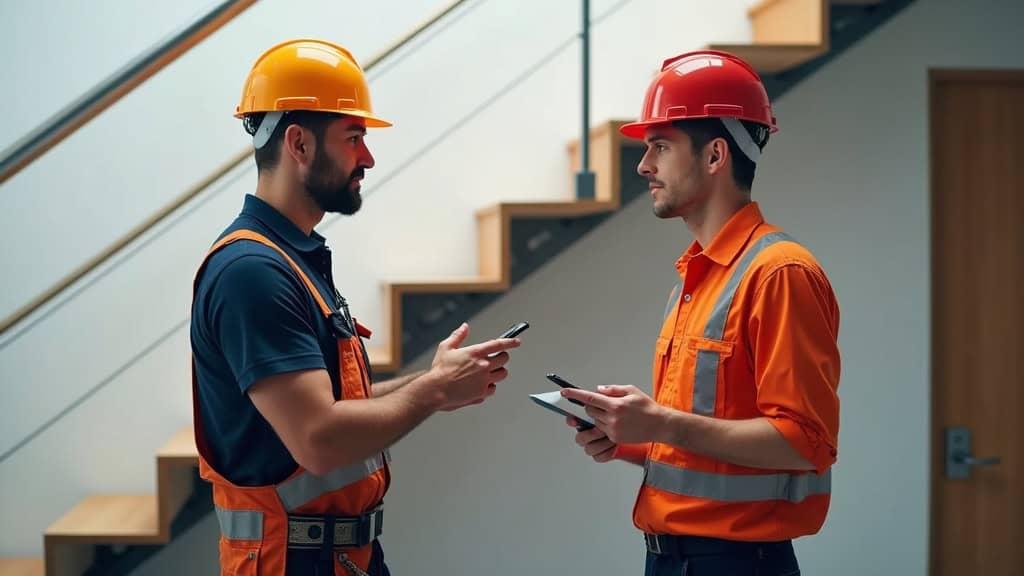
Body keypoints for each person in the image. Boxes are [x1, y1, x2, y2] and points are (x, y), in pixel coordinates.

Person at [189, 39, 520, 576]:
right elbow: (318, 439)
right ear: (298, 143)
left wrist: (430, 380)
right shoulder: (252, 273)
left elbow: (339, 404)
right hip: (290, 562)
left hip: (339, 556)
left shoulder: (293, 260)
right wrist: (434, 393)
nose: (367, 156)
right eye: (353, 137)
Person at [561, 50, 841, 576]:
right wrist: (632, 436)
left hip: (738, 564)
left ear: (715, 156)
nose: (644, 166)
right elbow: (708, 442)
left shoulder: (780, 274)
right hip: (674, 561)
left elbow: (806, 444)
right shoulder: (697, 278)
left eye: (660, 147)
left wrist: (662, 422)